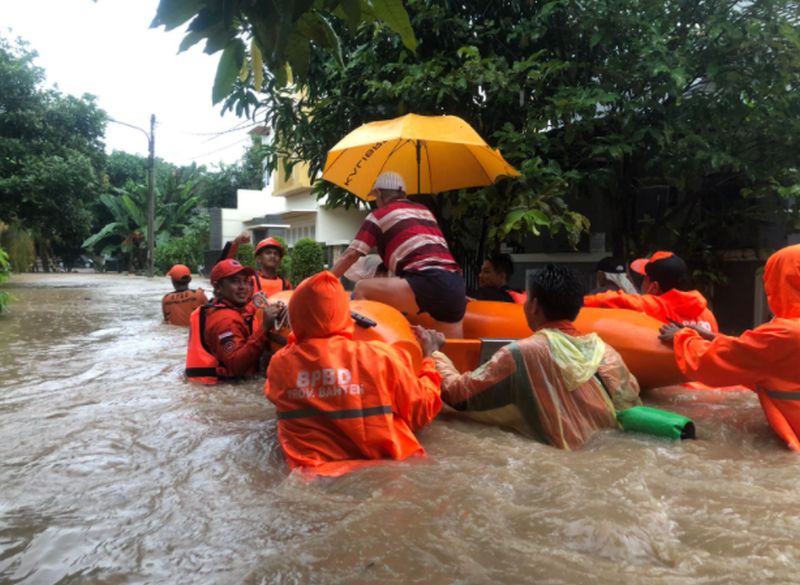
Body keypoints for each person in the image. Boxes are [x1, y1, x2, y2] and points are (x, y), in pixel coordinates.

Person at [416, 264, 641, 449]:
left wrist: (434, 354)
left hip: (559, 466)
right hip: (604, 457)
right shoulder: (607, 352)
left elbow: (458, 395)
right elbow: (630, 410)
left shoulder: (522, 354)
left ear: (533, 306)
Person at [265, 271, 443, 476]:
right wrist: (430, 357)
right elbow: (421, 410)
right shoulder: (381, 356)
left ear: (296, 314)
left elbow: (274, 396)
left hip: (313, 478)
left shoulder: (280, 365)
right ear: (344, 312)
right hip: (390, 471)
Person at [659, 244, 800, 450]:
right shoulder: (783, 335)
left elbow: (714, 364)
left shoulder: (784, 334)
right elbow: (756, 355)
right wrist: (711, 336)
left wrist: (682, 337)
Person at [331, 172, 467, 338]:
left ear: (379, 194)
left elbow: (351, 255)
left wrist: (323, 281)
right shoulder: (425, 211)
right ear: (404, 194)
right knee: (450, 356)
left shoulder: (379, 215)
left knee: (361, 288)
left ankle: (363, 352)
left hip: (425, 280)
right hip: (455, 285)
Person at [185, 259, 284, 384]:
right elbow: (236, 365)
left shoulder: (216, 306)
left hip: (205, 386)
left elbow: (239, 315)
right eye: (234, 281)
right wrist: (264, 327)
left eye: (245, 281)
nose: (243, 287)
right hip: (219, 389)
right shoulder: (225, 320)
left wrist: (254, 305)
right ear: (218, 287)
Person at [584, 251, 718, 332]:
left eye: (644, 279)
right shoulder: (707, 314)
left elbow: (610, 300)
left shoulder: (652, 306)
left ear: (654, 287)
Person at [221, 232, 292, 296]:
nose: (272, 256)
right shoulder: (249, 280)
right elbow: (223, 269)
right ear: (258, 259)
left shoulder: (285, 284)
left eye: (276, 254)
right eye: (268, 252)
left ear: (280, 260)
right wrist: (235, 243)